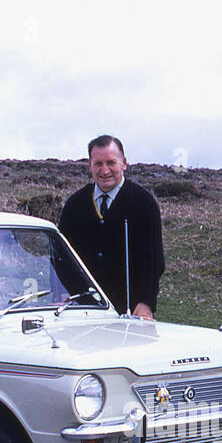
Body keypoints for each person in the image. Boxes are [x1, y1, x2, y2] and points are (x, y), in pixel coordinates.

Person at [58, 135, 164, 320]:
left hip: (130, 311)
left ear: (123, 163)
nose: (104, 170)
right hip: (81, 309)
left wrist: (145, 303)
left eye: (111, 163)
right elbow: (61, 257)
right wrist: (61, 292)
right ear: (90, 165)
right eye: (98, 163)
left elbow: (154, 261)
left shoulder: (144, 203)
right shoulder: (75, 204)